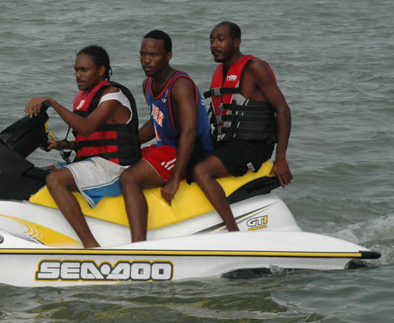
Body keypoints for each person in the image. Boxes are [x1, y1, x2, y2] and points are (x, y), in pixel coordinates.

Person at [25, 45, 140, 248]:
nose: (78, 75)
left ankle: (90, 245)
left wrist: (52, 102)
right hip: (94, 161)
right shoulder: (85, 97)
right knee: (36, 174)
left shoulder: (113, 96)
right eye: (76, 70)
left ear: (101, 70)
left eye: (84, 70)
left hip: (115, 166)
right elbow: (92, 140)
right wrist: (59, 144)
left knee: (55, 180)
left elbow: (87, 128)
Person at [192, 21, 292, 231]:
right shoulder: (219, 73)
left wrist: (281, 158)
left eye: (221, 39)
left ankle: (233, 231)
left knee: (202, 171)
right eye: (211, 40)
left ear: (236, 42)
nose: (214, 45)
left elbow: (282, 109)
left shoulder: (254, 68)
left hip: (253, 145)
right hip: (227, 144)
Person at [119, 30, 213, 243]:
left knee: (129, 179)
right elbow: (157, 122)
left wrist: (174, 179)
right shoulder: (148, 84)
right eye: (143, 54)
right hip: (164, 147)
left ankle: (138, 245)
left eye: (153, 55)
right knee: (120, 160)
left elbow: (189, 132)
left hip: (187, 151)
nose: (146, 60)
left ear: (168, 55)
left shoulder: (180, 85)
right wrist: (126, 142)